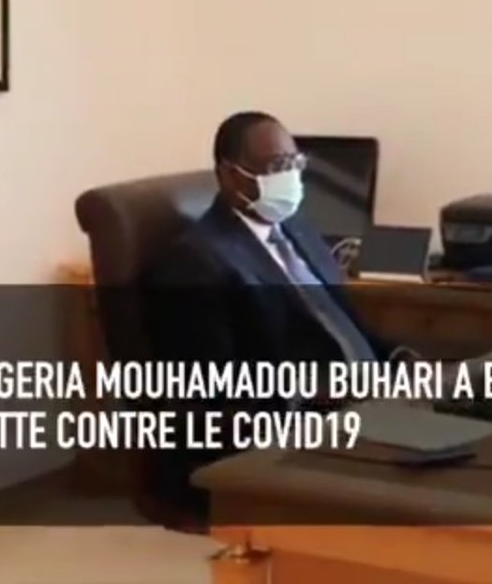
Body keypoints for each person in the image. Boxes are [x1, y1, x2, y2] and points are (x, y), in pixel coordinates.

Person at [142, 111, 413, 525]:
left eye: (294, 163)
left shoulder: (295, 226)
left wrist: (397, 359)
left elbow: (340, 322)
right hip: (294, 431)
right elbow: (209, 395)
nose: (290, 177)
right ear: (229, 175)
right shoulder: (196, 264)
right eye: (275, 167)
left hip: (369, 405)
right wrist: (314, 396)